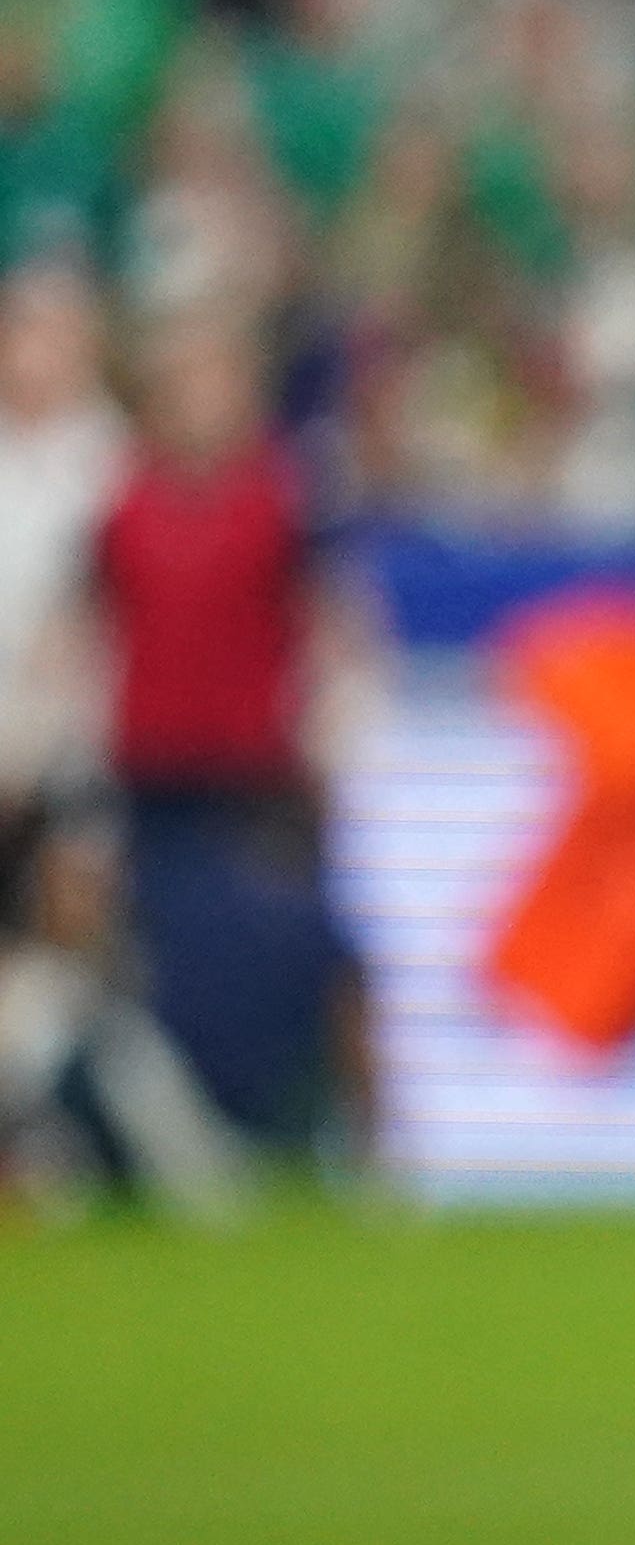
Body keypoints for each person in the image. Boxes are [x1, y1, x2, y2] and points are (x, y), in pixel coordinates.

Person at [90, 310, 368, 1178]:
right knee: (145, 970)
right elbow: (87, 628)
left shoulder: (285, 499)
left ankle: (355, 1139)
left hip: (257, 775)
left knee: (316, 955)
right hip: (154, 776)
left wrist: (338, 727)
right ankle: (169, 1145)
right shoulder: (121, 505)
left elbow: (336, 621)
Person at [0, 262, 241, 1214]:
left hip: (70, 761)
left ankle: (162, 1157)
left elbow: (95, 628)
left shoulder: (111, 467)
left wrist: (58, 739)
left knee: (80, 955)